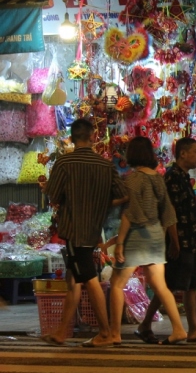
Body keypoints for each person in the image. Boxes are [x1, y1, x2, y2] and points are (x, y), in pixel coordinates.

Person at [41, 119, 128, 347]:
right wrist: (102, 203)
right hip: (92, 229)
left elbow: (54, 196)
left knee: (88, 278)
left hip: (74, 230)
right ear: (92, 137)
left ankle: (106, 332)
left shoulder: (65, 162)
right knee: (75, 279)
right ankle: (62, 331)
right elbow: (122, 194)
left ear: (71, 137)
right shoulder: (105, 165)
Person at [109, 136, 187, 345]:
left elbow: (130, 214)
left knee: (116, 283)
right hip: (156, 235)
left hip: (137, 236)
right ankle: (179, 329)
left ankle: (114, 333)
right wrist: (174, 241)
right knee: (160, 285)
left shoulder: (134, 179)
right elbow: (168, 212)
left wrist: (119, 242)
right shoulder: (158, 178)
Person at [136, 137, 196, 343]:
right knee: (169, 285)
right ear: (183, 154)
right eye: (195, 152)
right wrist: (175, 242)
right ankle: (145, 324)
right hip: (180, 242)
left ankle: (193, 329)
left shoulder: (184, 177)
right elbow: (170, 214)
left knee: (192, 285)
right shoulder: (172, 178)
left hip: (191, 240)